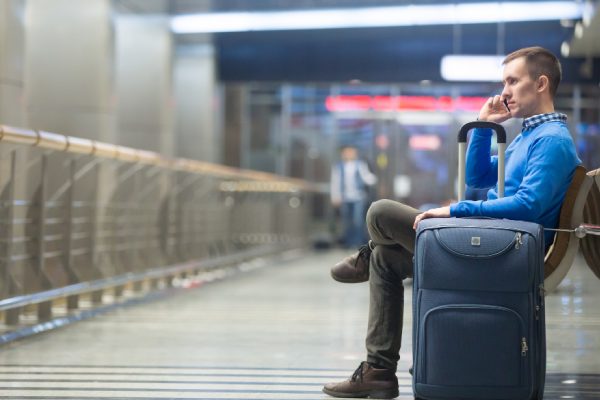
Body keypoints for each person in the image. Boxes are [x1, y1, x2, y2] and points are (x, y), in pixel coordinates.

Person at [323, 46, 581, 399]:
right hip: (496, 244)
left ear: (540, 84)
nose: (504, 91)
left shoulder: (550, 141)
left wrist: (456, 211)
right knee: (388, 260)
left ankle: (365, 255)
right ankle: (379, 372)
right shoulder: (527, 137)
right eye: (504, 81)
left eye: (512, 81)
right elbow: (478, 177)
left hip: (505, 254)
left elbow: (529, 205)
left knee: (380, 212)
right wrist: (484, 126)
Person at [330, 145, 378, 250]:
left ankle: (358, 242)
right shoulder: (338, 167)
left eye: (351, 152)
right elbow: (335, 183)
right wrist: (335, 196)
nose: (349, 154)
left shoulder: (360, 165)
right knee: (347, 221)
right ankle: (348, 242)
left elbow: (367, 177)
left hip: (358, 197)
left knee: (358, 220)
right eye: (347, 152)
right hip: (345, 197)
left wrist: (375, 179)